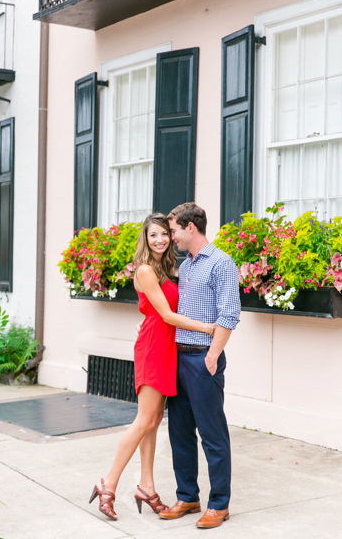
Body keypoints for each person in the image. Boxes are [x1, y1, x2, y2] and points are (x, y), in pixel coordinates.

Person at [89, 213, 215, 521]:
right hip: (153, 348)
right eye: (152, 235)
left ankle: (147, 486)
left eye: (163, 234)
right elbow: (168, 316)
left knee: (154, 419)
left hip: (166, 347)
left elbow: (162, 309)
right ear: (145, 240)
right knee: (145, 420)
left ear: (171, 237)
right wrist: (206, 328)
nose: (159, 240)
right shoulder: (146, 270)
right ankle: (108, 483)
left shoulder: (169, 268)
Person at [156, 202, 240, 529]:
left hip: (204, 358)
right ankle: (188, 496)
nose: (171, 236)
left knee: (212, 433)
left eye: (174, 230)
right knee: (179, 431)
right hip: (177, 356)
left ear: (191, 228)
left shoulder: (221, 263)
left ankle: (219, 504)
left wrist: (212, 355)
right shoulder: (186, 265)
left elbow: (229, 313)